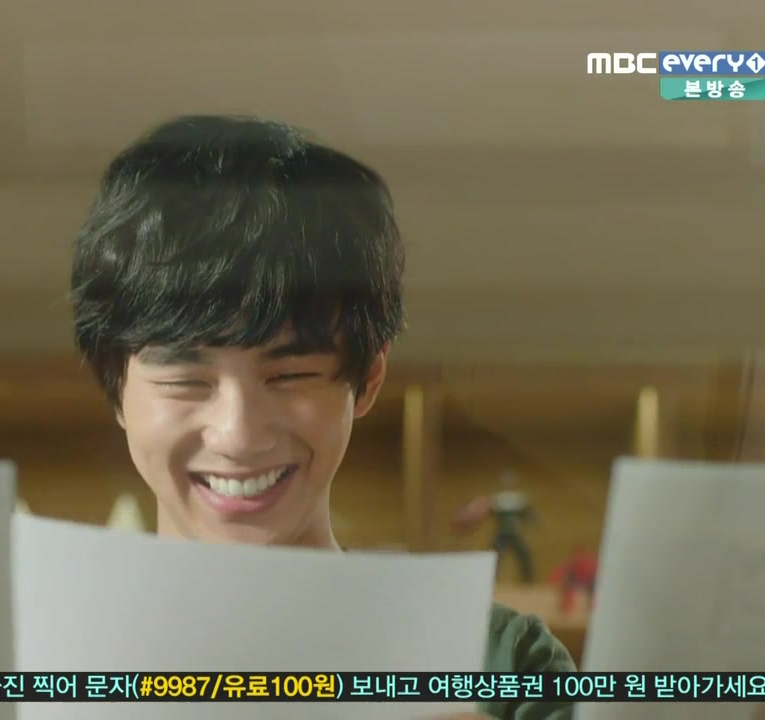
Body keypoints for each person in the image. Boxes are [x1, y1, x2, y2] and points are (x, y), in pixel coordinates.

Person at [70, 114, 575, 720]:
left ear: (368, 379)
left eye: (288, 377)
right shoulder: (24, 664)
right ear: (115, 384)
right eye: (185, 381)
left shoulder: (496, 667)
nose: (238, 436)